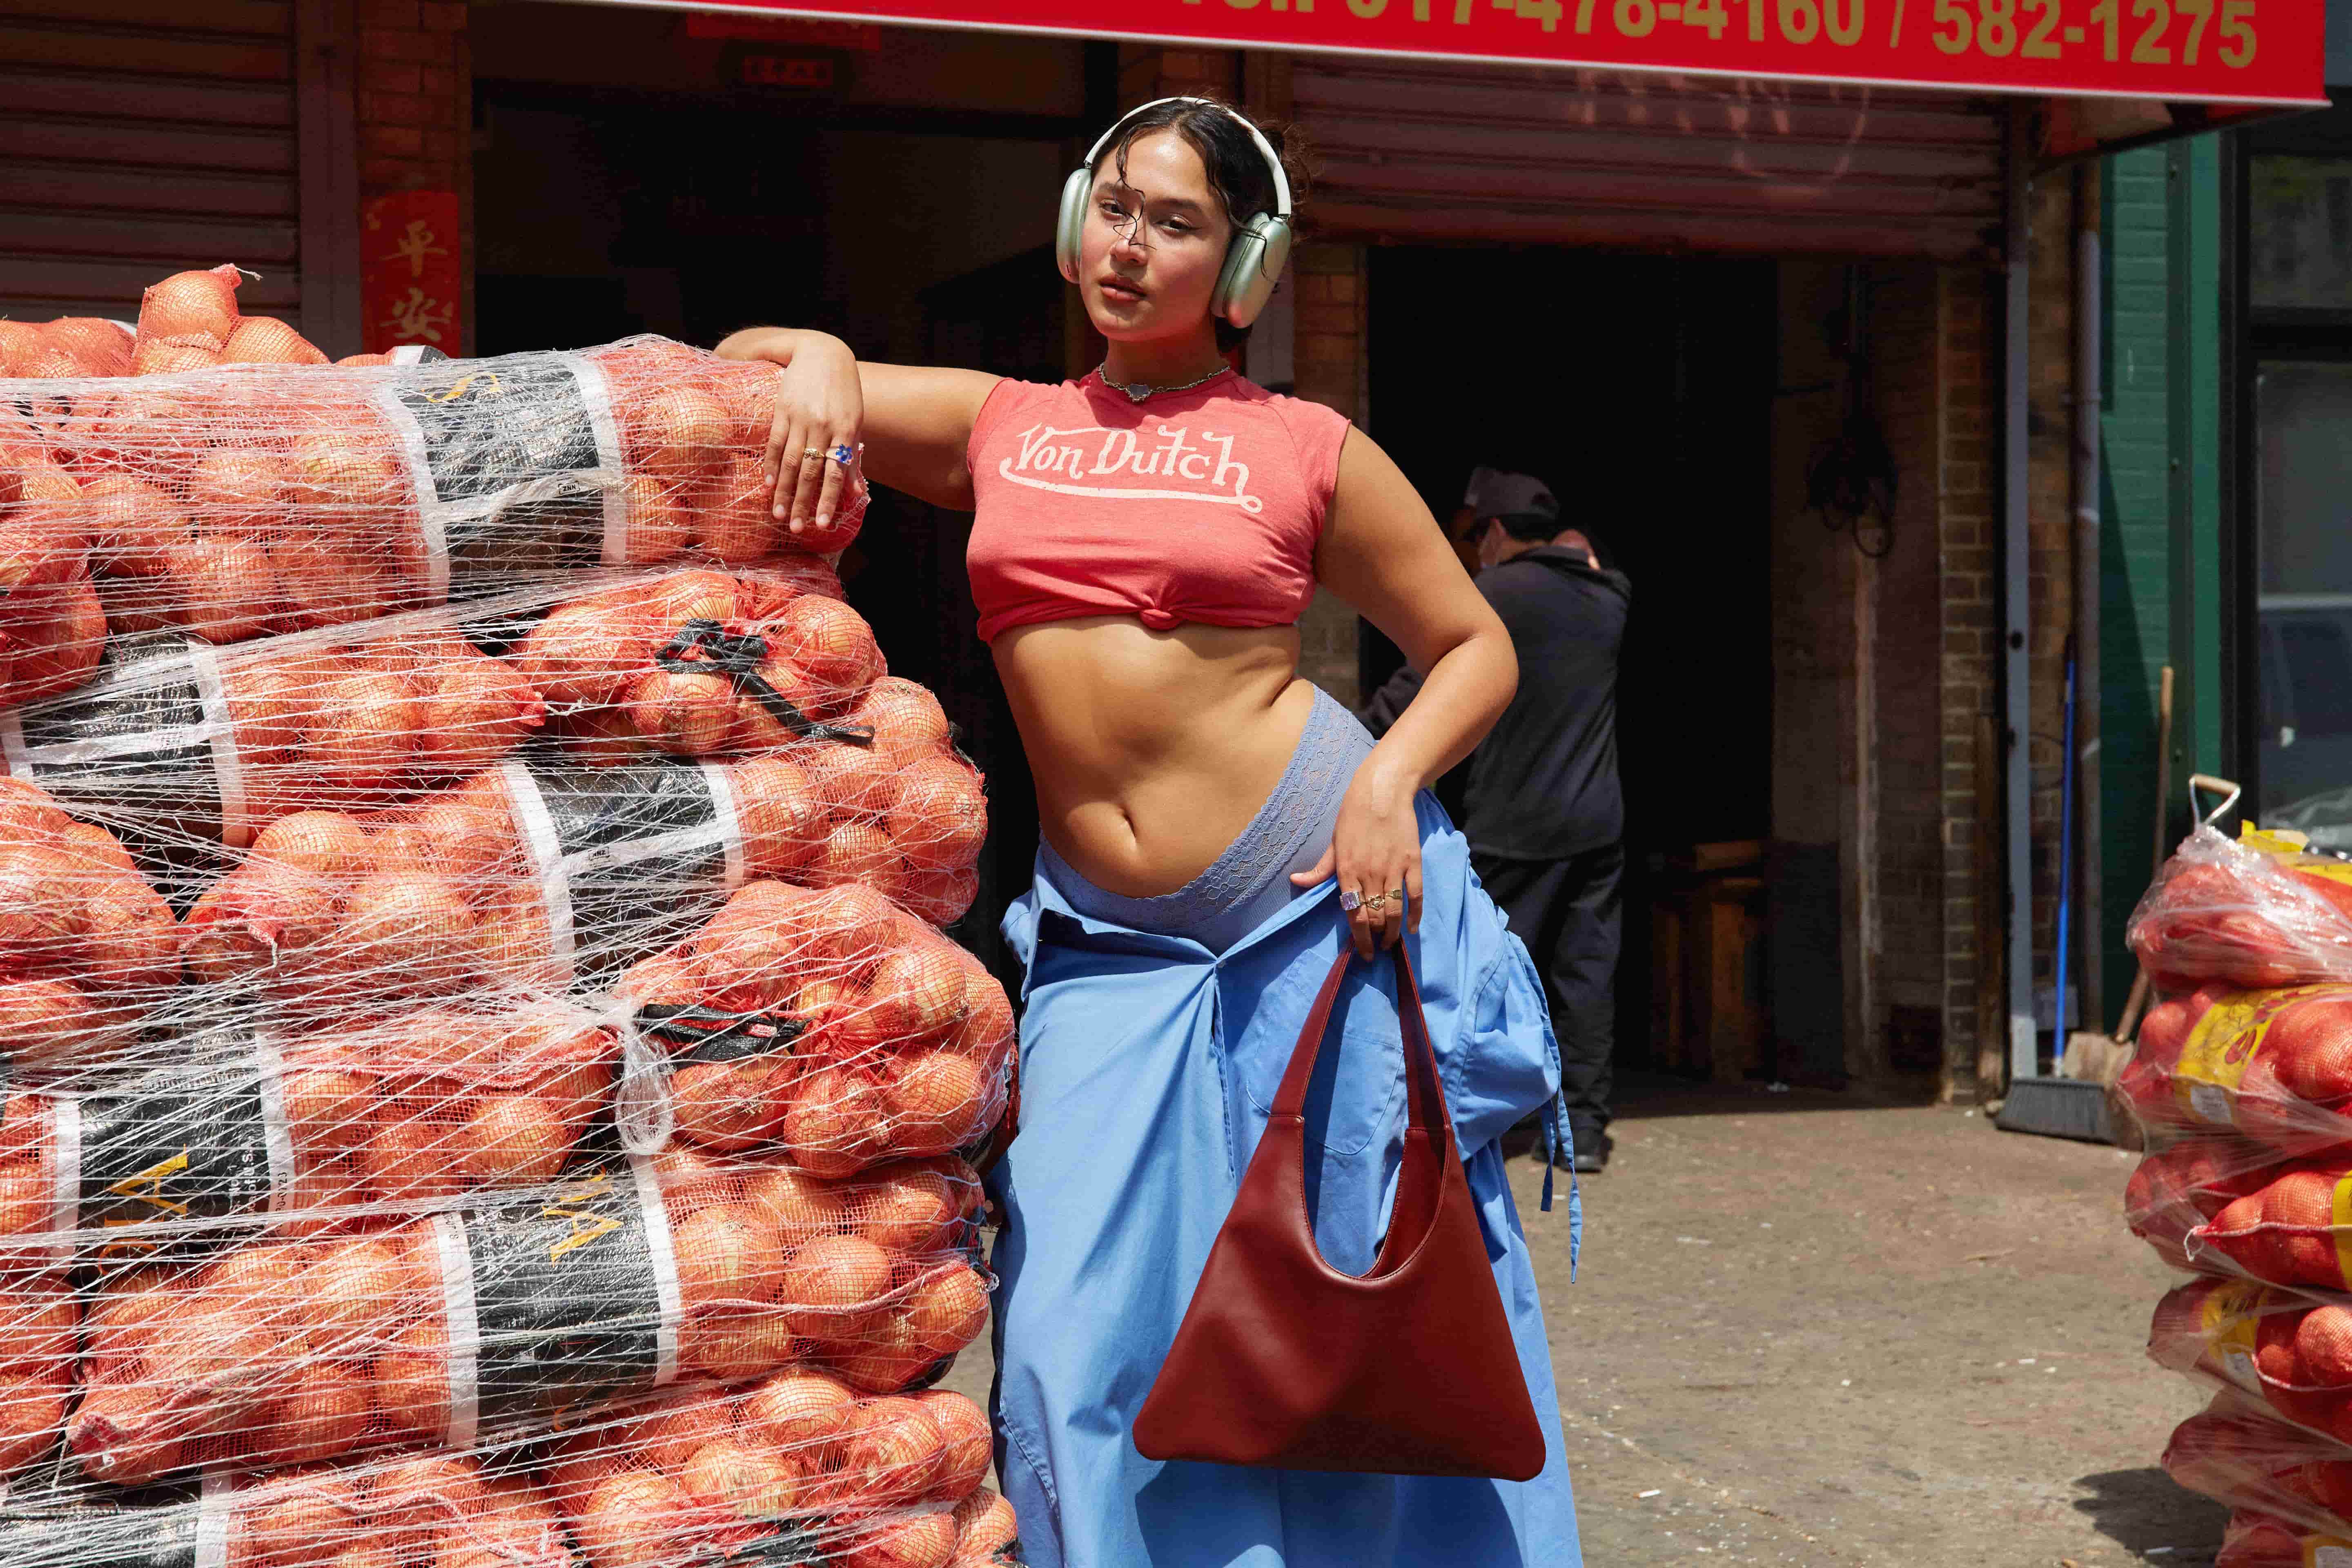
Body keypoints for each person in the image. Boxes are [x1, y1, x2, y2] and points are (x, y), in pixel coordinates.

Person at [718, 95, 1579, 1568]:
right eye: (1114, 206)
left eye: (1176, 222)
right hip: (1112, 940)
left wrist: (1388, 784)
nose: (1132, 244)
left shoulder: (1306, 446)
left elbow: (1474, 648)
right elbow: (742, 369)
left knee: (1344, 1321)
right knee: (1064, 1343)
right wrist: (825, 359)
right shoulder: (1007, 425)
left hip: (1323, 909)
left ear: (1244, 266)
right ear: (1069, 225)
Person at [1363, 469, 1630, 1174]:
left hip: (1514, 822)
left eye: (1477, 534)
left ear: (1498, 533)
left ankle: (1464, 1123)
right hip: (1598, 821)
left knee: (1476, 976)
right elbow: (1589, 559)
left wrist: (1350, 751)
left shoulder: (1494, 595)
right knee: (1585, 978)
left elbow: (1417, 689)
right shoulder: (1610, 596)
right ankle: (1584, 1133)